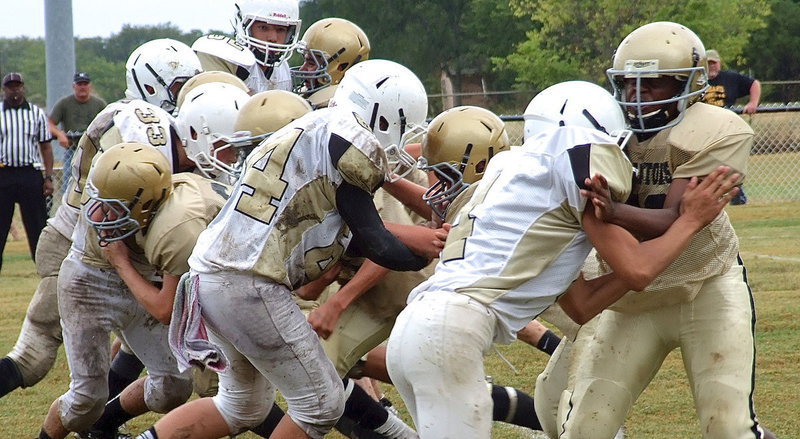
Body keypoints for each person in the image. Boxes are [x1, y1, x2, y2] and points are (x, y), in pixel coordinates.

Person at [385, 77, 742, 439]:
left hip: (415, 331)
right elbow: (638, 269)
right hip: (449, 332)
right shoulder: (573, 163)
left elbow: (582, 305)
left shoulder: (516, 175)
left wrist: (638, 262)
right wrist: (691, 221)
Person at [135, 61, 437, 439]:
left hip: (213, 277)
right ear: (383, 115)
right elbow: (375, 239)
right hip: (249, 283)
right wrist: (426, 254)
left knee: (243, 404)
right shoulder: (351, 143)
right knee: (321, 402)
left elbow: (343, 234)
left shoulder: (315, 128)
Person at [556, 22, 774, 439]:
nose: (636, 98)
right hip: (632, 298)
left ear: (687, 84)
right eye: (629, 86)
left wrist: (615, 211)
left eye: (652, 85)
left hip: (706, 284)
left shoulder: (711, 128)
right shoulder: (602, 127)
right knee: (584, 429)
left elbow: (679, 218)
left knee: (728, 427)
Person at [0, 39, 203, 402]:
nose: (185, 98)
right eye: (178, 88)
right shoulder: (133, 121)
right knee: (33, 357)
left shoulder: (153, 121)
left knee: (140, 344)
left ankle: (101, 421)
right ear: (151, 84)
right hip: (77, 243)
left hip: (109, 244)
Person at [0, 72, 54, 274]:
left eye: (18, 86)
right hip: (3, 173)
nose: (14, 90)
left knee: (37, 225)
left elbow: (46, 147)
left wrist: (48, 177)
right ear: (4, 89)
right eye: (10, 86)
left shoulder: (36, 113)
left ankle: (44, 268)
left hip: (29, 173)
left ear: (23, 87)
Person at [192, 0, 300, 94]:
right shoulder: (231, 61)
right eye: (263, 28)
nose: (273, 38)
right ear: (244, 27)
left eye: (281, 30)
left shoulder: (283, 69)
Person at [703, 48, 760, 205]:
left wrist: (753, 102)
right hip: (702, 130)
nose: (711, 67)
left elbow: (754, 84)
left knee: (728, 165)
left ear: (719, 63)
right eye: (708, 64)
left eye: (713, 63)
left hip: (726, 129)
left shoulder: (730, 78)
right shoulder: (697, 80)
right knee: (707, 166)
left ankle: (737, 197)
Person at [292, 17, 371, 108]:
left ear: (341, 67)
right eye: (305, 60)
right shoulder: (308, 95)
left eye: (311, 63)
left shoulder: (343, 108)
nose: (302, 69)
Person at [48, 72, 107, 190]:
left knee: (96, 181)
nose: (82, 87)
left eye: (85, 84)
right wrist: (60, 134)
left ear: (90, 86)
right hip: (73, 149)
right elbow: (49, 123)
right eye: (79, 84)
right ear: (74, 86)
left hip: (95, 149)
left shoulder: (99, 104)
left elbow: (109, 122)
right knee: (69, 183)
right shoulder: (64, 103)